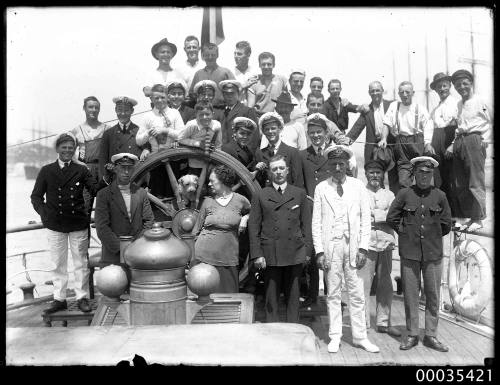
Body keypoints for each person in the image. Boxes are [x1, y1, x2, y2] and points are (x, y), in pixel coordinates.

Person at [31, 133, 111, 314]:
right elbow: (35, 197)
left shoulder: (81, 170)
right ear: (57, 149)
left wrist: (106, 178)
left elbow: (94, 190)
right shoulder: (46, 170)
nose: (67, 151)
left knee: (80, 263)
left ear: (75, 150)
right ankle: (59, 299)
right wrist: (45, 214)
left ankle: (81, 297)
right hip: (55, 224)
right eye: (64, 147)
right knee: (57, 264)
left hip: (77, 222)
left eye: (70, 148)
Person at [312, 144, 379, 354]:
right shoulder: (321, 188)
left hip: (353, 247)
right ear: (329, 166)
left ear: (347, 165)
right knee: (332, 293)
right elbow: (316, 222)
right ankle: (335, 336)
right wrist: (320, 251)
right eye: (334, 164)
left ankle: (360, 337)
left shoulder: (358, 186)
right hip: (332, 246)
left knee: (357, 293)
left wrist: (363, 248)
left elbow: (366, 221)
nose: (338, 168)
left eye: (341, 164)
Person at [386, 156, 452, 352]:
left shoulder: (440, 196)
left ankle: (431, 335)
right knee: (411, 295)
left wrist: (432, 236)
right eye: (421, 173)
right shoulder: (405, 194)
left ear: (432, 174)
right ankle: (413, 334)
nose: (424, 177)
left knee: (432, 295)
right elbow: (392, 218)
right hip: (410, 253)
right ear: (414, 173)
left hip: (433, 254)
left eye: (428, 173)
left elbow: (446, 224)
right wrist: (405, 233)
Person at [248, 155, 312, 322]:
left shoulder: (299, 194)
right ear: (269, 172)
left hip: (295, 251)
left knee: (293, 297)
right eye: (274, 169)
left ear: (287, 171)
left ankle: (294, 330)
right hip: (270, 253)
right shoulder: (261, 195)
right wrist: (257, 254)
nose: (278, 172)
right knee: (271, 297)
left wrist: (307, 252)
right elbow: (254, 227)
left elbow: (307, 226)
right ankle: (272, 331)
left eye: (281, 168)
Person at [357, 159, 400, 336]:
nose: (375, 176)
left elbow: (394, 217)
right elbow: (359, 216)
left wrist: (373, 215)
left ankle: (383, 322)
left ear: (383, 175)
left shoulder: (390, 195)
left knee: (385, 284)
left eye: (378, 173)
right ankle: (364, 324)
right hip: (366, 245)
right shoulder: (359, 193)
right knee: (363, 284)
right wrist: (380, 216)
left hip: (386, 243)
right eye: (371, 172)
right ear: (366, 174)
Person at [192, 165, 251, 293]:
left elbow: (255, 212)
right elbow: (196, 230)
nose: (209, 184)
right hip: (203, 258)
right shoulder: (207, 202)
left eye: (212, 181)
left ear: (223, 181)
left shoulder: (240, 200)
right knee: (204, 297)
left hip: (228, 258)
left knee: (228, 295)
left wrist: (245, 218)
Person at [450, 69, 491, 232]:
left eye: (465, 83)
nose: (462, 87)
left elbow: (491, 120)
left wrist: (486, 139)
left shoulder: (481, 101)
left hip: (475, 139)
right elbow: (459, 126)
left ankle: (479, 218)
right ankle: (469, 216)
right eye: (458, 85)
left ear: (471, 83)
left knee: (475, 181)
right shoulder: (459, 104)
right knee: (461, 182)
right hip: (461, 141)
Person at [95, 153, 155, 264]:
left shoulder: (141, 193)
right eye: (123, 168)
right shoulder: (103, 195)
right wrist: (121, 248)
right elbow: (102, 227)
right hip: (113, 256)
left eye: (129, 168)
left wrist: (137, 245)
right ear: (116, 169)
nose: (126, 172)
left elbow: (149, 221)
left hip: (138, 254)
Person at [381, 81, 435, 191]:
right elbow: (386, 123)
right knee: (403, 179)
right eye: (402, 92)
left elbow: (428, 124)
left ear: (413, 93)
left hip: (417, 141)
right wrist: (383, 138)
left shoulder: (419, 107)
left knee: (422, 173)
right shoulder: (394, 106)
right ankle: (408, 203)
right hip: (401, 143)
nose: (405, 95)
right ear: (399, 94)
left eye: (407, 92)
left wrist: (427, 143)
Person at [347, 81, 398, 193]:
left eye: (377, 90)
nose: (375, 93)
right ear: (369, 93)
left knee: (394, 179)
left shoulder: (392, 105)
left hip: (392, 148)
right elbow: (357, 128)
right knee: (375, 178)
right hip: (374, 149)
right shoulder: (367, 109)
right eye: (372, 91)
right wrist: (346, 140)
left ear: (382, 91)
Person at [70, 96, 110, 225]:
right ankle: (84, 244)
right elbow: (68, 152)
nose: (93, 110)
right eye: (90, 107)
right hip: (86, 172)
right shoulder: (77, 130)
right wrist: (80, 164)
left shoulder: (106, 128)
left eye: (96, 107)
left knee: (106, 210)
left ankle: (107, 245)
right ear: (84, 108)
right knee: (85, 208)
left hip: (103, 171)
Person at [429, 72, 460, 217]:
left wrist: (453, 144)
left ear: (449, 86)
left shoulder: (456, 103)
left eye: (444, 85)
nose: (442, 89)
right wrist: (429, 143)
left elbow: (460, 126)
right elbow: (429, 126)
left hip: (449, 138)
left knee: (452, 178)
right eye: (439, 87)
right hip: (437, 139)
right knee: (438, 177)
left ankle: (455, 213)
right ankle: (443, 211)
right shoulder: (436, 109)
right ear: (435, 90)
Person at [99, 96, 151, 178]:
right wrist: (105, 179)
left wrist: (146, 149)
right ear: (115, 110)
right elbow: (103, 160)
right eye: (120, 110)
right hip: (114, 179)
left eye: (126, 110)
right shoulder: (108, 134)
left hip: (135, 178)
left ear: (132, 111)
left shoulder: (139, 132)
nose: (123, 113)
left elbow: (147, 150)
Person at [253, 111, 304, 188]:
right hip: (268, 196)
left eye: (273, 128)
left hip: (288, 196)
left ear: (280, 129)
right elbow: (258, 182)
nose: (270, 132)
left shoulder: (292, 152)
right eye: (267, 129)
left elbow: (298, 181)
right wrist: (256, 169)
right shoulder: (260, 153)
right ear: (263, 132)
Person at [136, 84, 185, 154]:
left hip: (173, 155)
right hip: (155, 158)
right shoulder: (147, 116)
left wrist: (166, 131)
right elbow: (138, 141)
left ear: (167, 97)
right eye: (156, 98)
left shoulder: (175, 113)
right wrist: (148, 133)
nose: (160, 100)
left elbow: (183, 135)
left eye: (162, 97)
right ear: (151, 99)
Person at [178, 103, 222, 174]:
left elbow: (218, 144)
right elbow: (180, 139)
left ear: (213, 114)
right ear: (196, 115)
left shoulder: (216, 126)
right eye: (201, 115)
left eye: (207, 114)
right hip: (195, 164)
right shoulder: (192, 125)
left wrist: (217, 161)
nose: (204, 117)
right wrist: (198, 144)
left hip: (211, 163)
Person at [219, 79, 260, 153]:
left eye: (232, 93)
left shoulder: (247, 111)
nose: (229, 96)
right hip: (223, 155)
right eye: (226, 94)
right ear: (223, 95)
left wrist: (246, 155)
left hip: (240, 155)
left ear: (238, 94)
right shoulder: (221, 112)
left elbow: (254, 137)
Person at [189, 43, 235, 107]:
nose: (210, 57)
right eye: (207, 55)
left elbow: (235, 91)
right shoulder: (198, 74)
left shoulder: (225, 72)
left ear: (217, 55)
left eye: (213, 55)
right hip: (203, 109)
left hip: (221, 109)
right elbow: (192, 94)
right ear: (203, 56)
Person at [247, 52, 288, 117]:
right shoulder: (254, 81)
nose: (266, 67)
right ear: (259, 65)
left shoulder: (282, 80)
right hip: (258, 117)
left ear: (274, 65)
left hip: (276, 117)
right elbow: (250, 106)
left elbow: (288, 100)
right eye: (263, 64)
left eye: (269, 64)